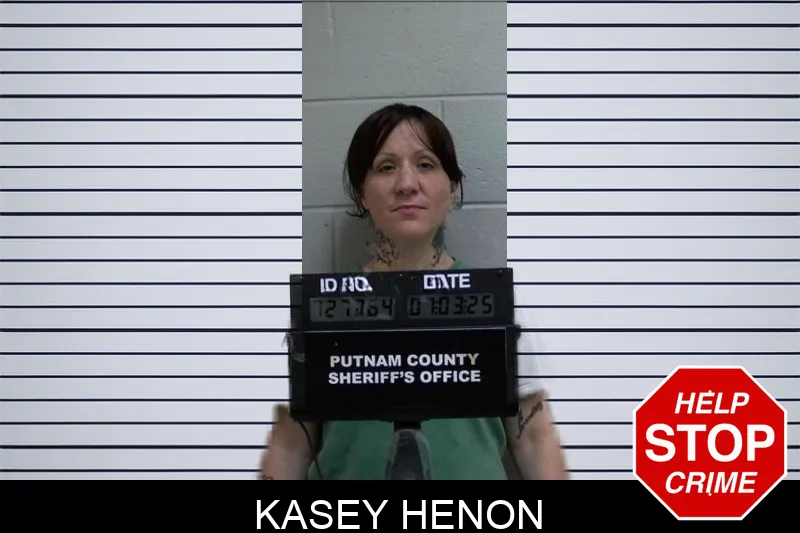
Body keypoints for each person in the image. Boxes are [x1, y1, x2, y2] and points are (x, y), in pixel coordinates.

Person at [259, 103, 568, 480]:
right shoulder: (321, 308)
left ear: (452, 187)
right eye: (385, 167)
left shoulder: (499, 303)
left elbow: (534, 437)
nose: (406, 183)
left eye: (425, 164)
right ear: (362, 192)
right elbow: (290, 444)